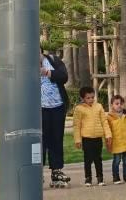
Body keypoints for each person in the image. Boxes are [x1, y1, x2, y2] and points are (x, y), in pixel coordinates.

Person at [40, 48, 71, 187]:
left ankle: (56, 171)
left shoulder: (53, 60)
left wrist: (47, 72)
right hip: (40, 109)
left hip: (57, 106)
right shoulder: (26, 65)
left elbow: (64, 77)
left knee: (56, 139)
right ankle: (37, 171)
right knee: (40, 140)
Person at [73, 87, 112, 186]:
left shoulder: (99, 107)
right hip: (86, 138)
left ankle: (100, 178)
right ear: (82, 98)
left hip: (98, 138)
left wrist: (108, 135)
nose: (91, 100)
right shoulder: (79, 109)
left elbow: (104, 122)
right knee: (88, 159)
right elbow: (77, 125)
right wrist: (77, 140)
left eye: (92, 97)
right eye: (88, 98)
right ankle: (88, 178)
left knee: (98, 159)